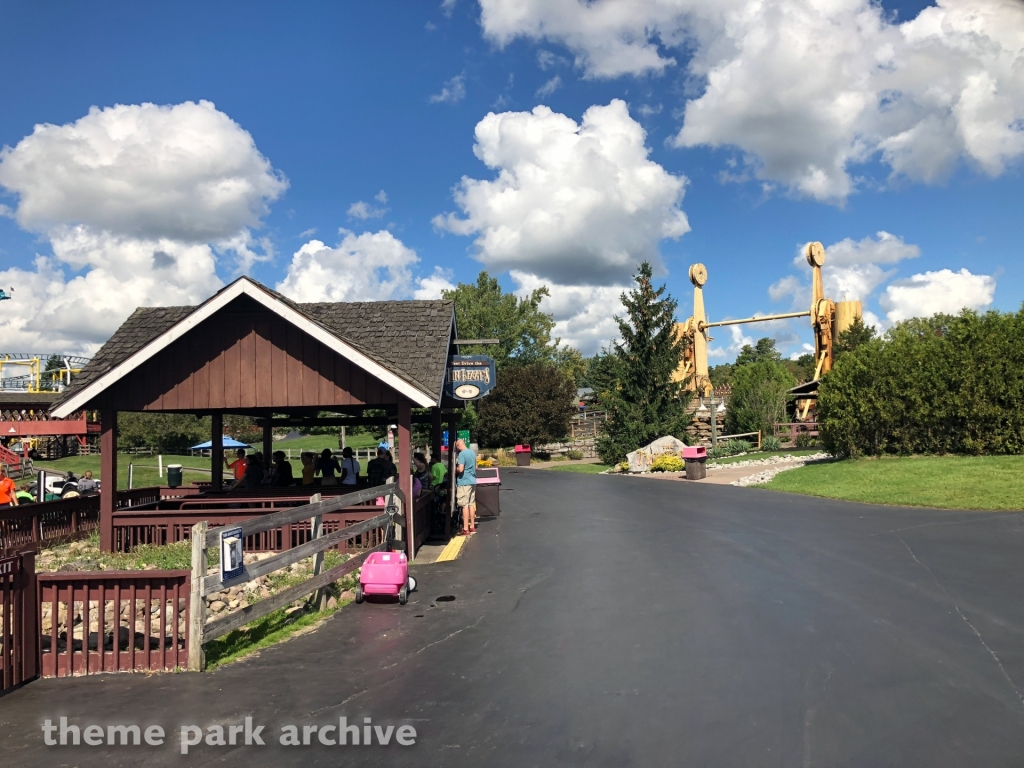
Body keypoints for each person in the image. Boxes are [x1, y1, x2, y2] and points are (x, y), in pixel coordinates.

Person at [455, 438, 477, 535]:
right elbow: (476, 467)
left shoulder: (462, 454)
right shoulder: (472, 453)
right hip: (473, 481)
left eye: (457, 447)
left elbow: (460, 469)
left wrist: (454, 469)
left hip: (464, 482)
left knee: (464, 505)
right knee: (471, 504)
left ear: (459, 445)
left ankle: (465, 528)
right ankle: (472, 526)